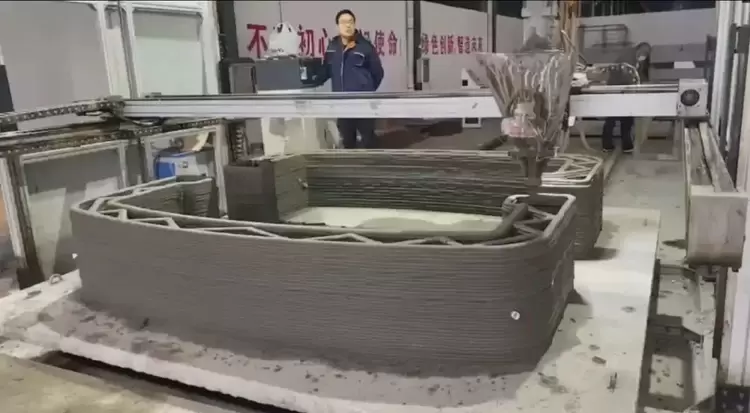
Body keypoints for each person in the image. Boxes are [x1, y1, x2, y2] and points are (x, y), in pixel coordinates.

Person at [314, 9, 384, 149]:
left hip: (363, 104)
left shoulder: (365, 46)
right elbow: (327, 70)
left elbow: (378, 73)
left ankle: (372, 161)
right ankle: (351, 162)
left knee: (368, 140)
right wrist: (312, 79)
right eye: (343, 22)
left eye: (351, 22)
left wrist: (367, 89)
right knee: (347, 140)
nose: (348, 25)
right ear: (337, 26)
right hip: (342, 104)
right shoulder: (333, 47)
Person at [601, 42, 650, 154]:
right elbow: (624, 76)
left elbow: (639, 76)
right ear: (638, 50)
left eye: (646, 54)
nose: (644, 56)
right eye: (643, 53)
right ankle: (608, 145)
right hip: (617, 91)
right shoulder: (627, 59)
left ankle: (626, 145)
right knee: (612, 120)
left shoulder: (638, 61)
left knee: (626, 120)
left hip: (627, 93)